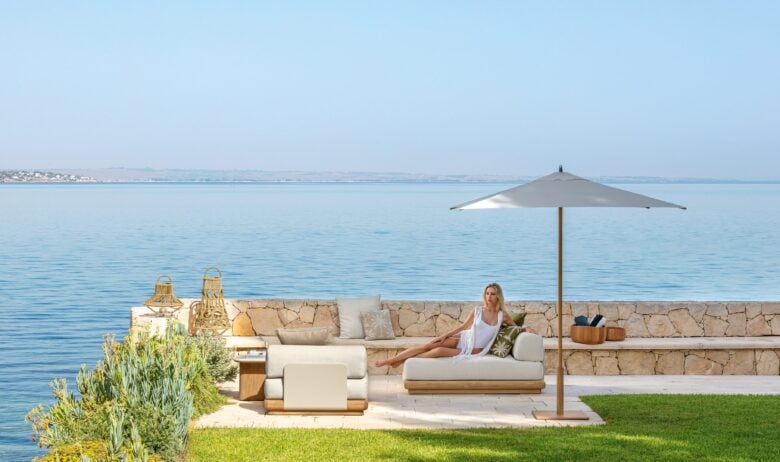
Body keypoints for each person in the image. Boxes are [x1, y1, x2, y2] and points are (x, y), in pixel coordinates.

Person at [374, 282, 536, 368]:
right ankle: (391, 360)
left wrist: (525, 329)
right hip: (464, 338)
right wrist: (444, 336)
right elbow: (463, 327)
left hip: (474, 349)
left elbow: (514, 328)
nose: (489, 297)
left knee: (438, 351)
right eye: (487, 293)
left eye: (492, 294)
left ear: (498, 296)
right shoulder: (477, 310)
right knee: (428, 345)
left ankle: (403, 361)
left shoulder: (502, 315)